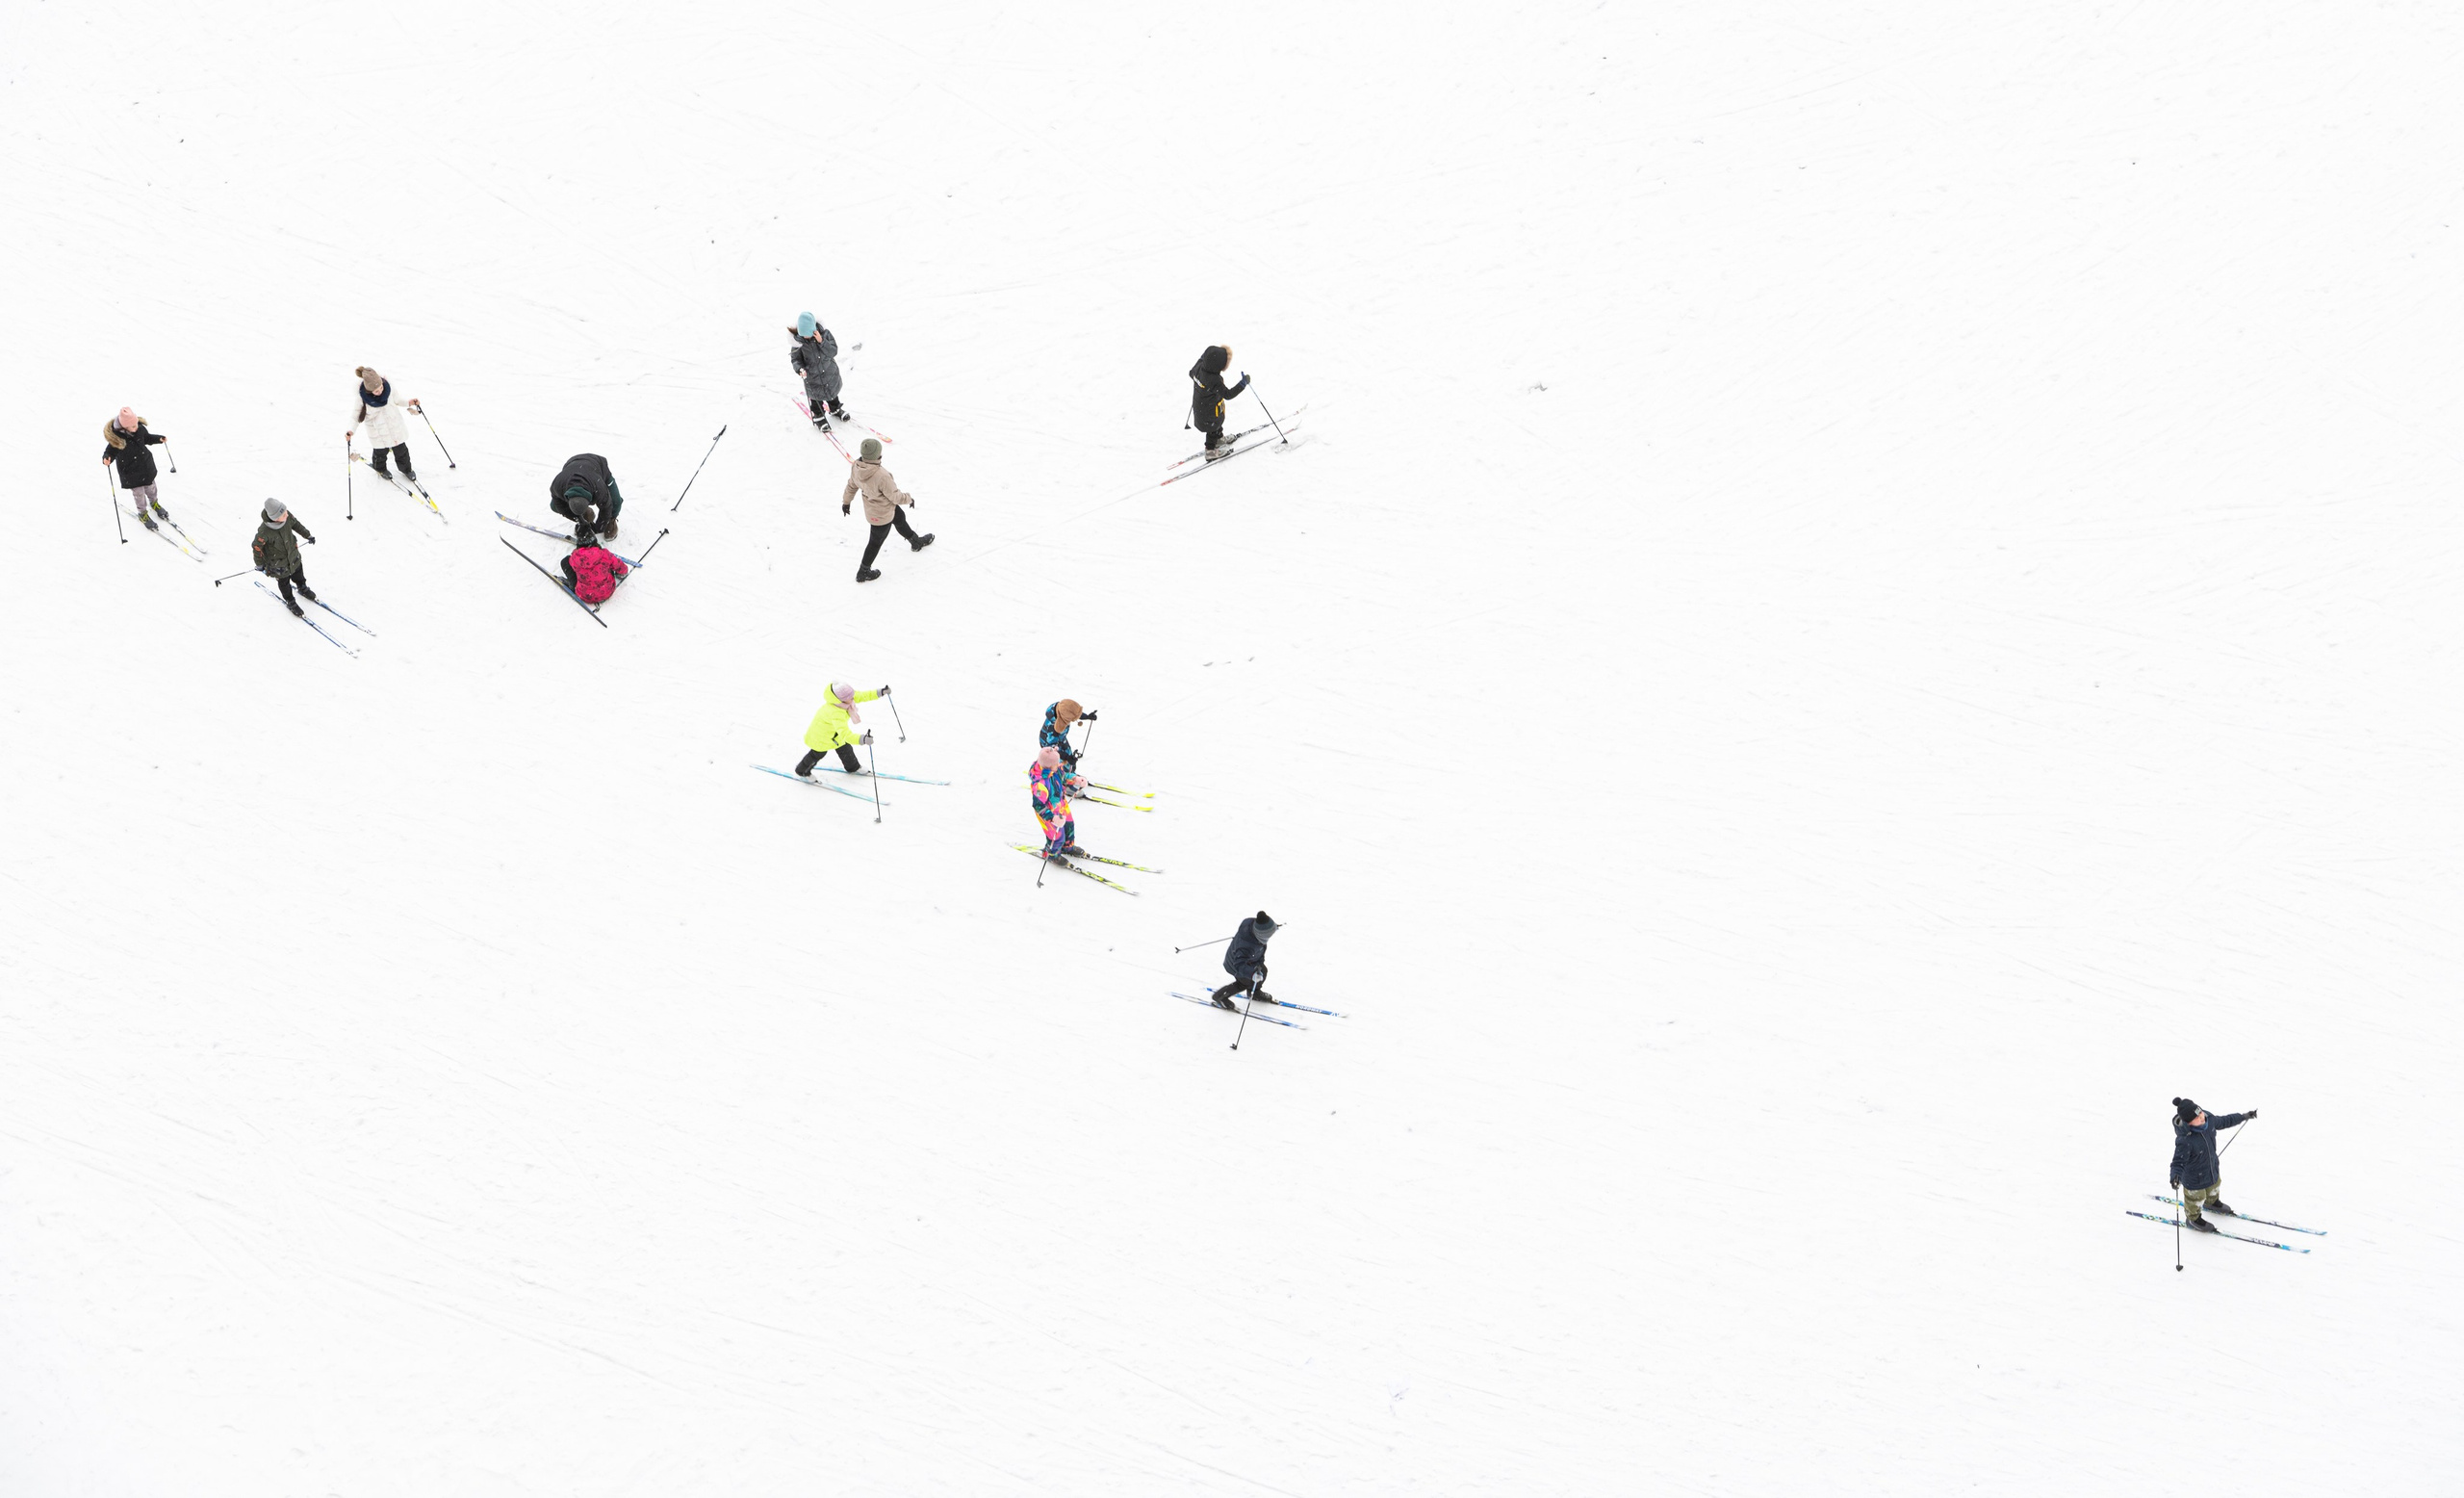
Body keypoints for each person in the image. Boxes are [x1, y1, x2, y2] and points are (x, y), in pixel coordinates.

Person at [841, 436, 934, 582]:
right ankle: (863, 571)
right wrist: (909, 498)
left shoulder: (856, 466)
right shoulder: (881, 475)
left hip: (882, 507)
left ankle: (916, 542)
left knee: (900, 518)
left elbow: (852, 485)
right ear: (877, 455)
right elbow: (895, 497)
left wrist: (846, 502)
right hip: (880, 515)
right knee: (875, 542)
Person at [2168, 1098, 2258, 1232]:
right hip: (2194, 1178)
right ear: (2188, 1123)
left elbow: (2225, 1120)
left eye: (2200, 1113)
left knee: (2215, 1186)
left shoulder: (2209, 1120)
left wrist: (2243, 1116)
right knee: (2195, 1199)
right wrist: (2175, 1176)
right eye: (2197, 1118)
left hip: (2211, 1168)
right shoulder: (2185, 1140)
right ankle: (2192, 1218)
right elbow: (2178, 1162)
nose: (2201, 1117)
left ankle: (2211, 1202)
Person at [795, 682, 888, 777]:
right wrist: (862, 739)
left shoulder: (845, 700)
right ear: (841, 700)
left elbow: (862, 695)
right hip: (821, 737)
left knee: (846, 749)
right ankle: (802, 771)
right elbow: (845, 735)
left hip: (835, 735)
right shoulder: (836, 713)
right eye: (850, 697)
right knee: (818, 754)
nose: (853, 698)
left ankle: (853, 767)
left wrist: (880, 692)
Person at [100, 407, 171, 531]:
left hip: (146, 466)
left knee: (151, 487)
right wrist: (107, 458)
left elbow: (147, 438)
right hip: (131, 471)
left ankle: (154, 502)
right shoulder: (117, 438)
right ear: (124, 427)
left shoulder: (139, 428)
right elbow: (110, 451)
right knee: (139, 494)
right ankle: (142, 513)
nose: (136, 427)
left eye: (136, 424)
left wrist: (158, 439)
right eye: (132, 426)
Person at [346, 367, 422, 481]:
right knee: (380, 454)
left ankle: (406, 469)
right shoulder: (362, 399)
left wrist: (408, 402)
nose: (380, 391)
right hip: (378, 432)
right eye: (376, 391)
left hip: (395, 427)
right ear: (369, 391)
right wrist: (350, 430)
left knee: (402, 451)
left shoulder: (388, 389)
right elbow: (355, 417)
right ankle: (380, 468)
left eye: (381, 387)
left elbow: (398, 400)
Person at [251, 498, 319, 615]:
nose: (287, 515)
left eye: (286, 511)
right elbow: (257, 547)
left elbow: (296, 524)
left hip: (293, 555)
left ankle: (302, 586)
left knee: (298, 571)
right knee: (284, 582)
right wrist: (259, 564)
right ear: (274, 518)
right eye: (283, 514)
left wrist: (307, 535)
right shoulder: (264, 531)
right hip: (278, 563)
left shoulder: (286, 517)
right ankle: (290, 600)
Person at [1188, 344, 1250, 457]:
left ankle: (1219, 439)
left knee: (1217, 424)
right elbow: (1228, 394)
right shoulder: (1214, 380)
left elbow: (1191, 372)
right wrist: (1242, 384)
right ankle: (1210, 452)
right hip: (1208, 413)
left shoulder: (1199, 367)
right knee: (1212, 429)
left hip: (1204, 408)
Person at [1210, 912, 1280, 1008]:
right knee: (1244, 983)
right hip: (1236, 965)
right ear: (1261, 935)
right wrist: (1252, 974)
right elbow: (1239, 965)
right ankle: (1219, 997)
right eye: (1268, 935)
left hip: (1253, 960)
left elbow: (1264, 926)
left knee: (1262, 971)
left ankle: (1255, 992)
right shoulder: (1246, 946)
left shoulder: (1255, 929)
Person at [1029, 745, 1088, 860]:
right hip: (1049, 814)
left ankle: (1068, 846)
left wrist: (1076, 779)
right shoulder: (1040, 785)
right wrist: (1053, 818)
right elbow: (1038, 806)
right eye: (1057, 763)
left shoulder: (1055, 769)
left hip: (1061, 805)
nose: (1059, 764)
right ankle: (1052, 855)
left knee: (1069, 825)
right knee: (1056, 836)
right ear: (1049, 766)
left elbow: (1064, 777)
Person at [548, 452, 624, 540]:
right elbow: (560, 506)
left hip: (598, 465)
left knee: (616, 502)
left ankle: (611, 521)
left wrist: (598, 527)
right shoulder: (557, 485)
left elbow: (607, 506)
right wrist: (581, 521)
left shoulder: (599, 488)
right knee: (554, 506)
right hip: (573, 463)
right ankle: (585, 513)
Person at [790, 311, 848, 424]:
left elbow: (833, 351)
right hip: (812, 378)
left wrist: (822, 341)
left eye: (808, 333)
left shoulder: (825, 335)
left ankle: (835, 409)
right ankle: (818, 416)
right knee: (816, 398)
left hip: (829, 373)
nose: (805, 336)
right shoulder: (798, 344)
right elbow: (795, 359)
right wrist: (800, 369)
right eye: (803, 334)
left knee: (832, 393)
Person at [559, 528, 631, 605]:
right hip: (607, 591)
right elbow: (622, 568)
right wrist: (622, 572)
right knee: (609, 563)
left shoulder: (574, 558)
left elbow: (572, 565)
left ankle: (573, 585)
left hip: (585, 595)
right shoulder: (604, 554)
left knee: (565, 561)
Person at [1040, 699, 1096, 772]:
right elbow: (1052, 747)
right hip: (1049, 744)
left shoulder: (1062, 709)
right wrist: (1066, 757)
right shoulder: (1052, 728)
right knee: (1060, 761)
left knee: (1070, 759)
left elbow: (1072, 712)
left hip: (1061, 738)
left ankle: (1070, 773)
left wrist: (1087, 716)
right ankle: (1060, 775)